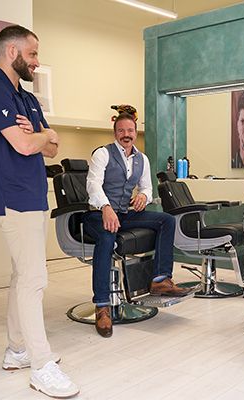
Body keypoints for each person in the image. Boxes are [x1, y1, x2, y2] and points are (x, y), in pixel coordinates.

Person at [0, 25, 79, 398]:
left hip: (34, 195)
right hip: (13, 198)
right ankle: (41, 364)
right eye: (32, 54)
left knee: (22, 276)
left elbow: (52, 146)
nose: (36, 61)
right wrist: (36, 137)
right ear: (12, 51)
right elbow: (21, 145)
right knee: (35, 280)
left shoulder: (28, 99)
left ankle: (17, 349)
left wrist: (39, 136)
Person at [84, 112, 191, 338]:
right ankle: (102, 306)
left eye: (130, 131)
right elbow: (93, 185)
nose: (126, 135)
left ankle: (161, 280)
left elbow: (147, 188)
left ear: (135, 133)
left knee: (166, 220)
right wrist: (106, 208)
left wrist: (144, 196)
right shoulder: (102, 154)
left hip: (124, 213)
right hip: (97, 214)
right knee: (107, 237)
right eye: (121, 131)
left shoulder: (142, 159)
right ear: (115, 133)